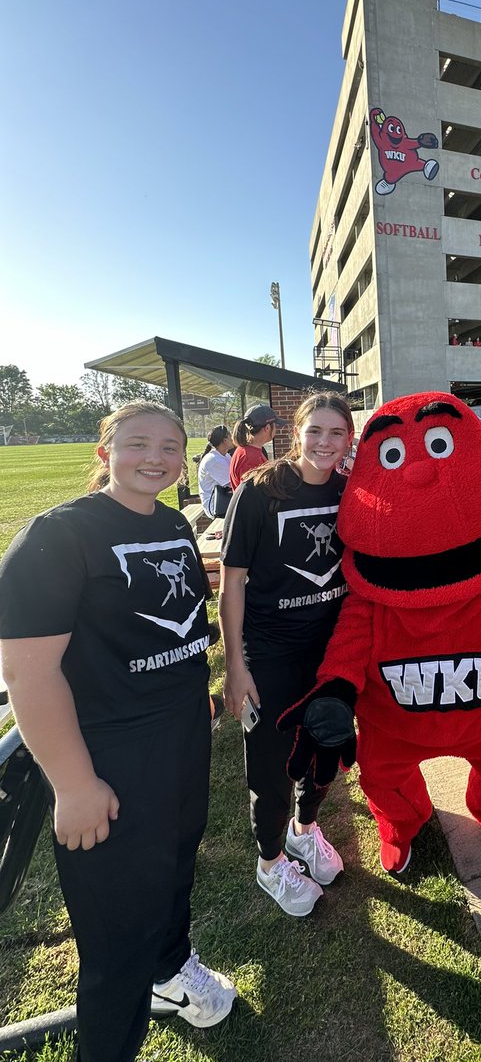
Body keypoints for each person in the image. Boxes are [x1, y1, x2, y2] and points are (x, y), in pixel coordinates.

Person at [0, 402, 235, 1062]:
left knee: (174, 875)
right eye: (137, 443)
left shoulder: (171, 523)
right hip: (110, 758)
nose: (156, 456)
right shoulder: (58, 536)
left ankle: (171, 974)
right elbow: (27, 672)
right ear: (105, 452)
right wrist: (73, 785)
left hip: (182, 740)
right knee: (116, 940)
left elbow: (179, 625)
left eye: (170, 445)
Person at [219, 393, 355, 916]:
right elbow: (232, 583)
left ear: (348, 439)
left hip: (331, 647)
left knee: (326, 744)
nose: (325, 443)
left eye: (336, 433)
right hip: (272, 647)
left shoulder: (351, 490)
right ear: (294, 431)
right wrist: (236, 665)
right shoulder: (258, 490)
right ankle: (271, 861)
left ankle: (305, 828)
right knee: (271, 762)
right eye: (314, 431)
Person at [229, 403, 286, 489]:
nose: (276, 429)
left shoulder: (249, 451)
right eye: (275, 425)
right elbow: (252, 494)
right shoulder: (250, 458)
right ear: (267, 428)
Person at [197, 424, 233, 517]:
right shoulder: (214, 460)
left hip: (225, 501)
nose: (232, 437)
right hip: (216, 507)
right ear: (225, 441)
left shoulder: (225, 456)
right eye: (230, 435)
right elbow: (232, 483)